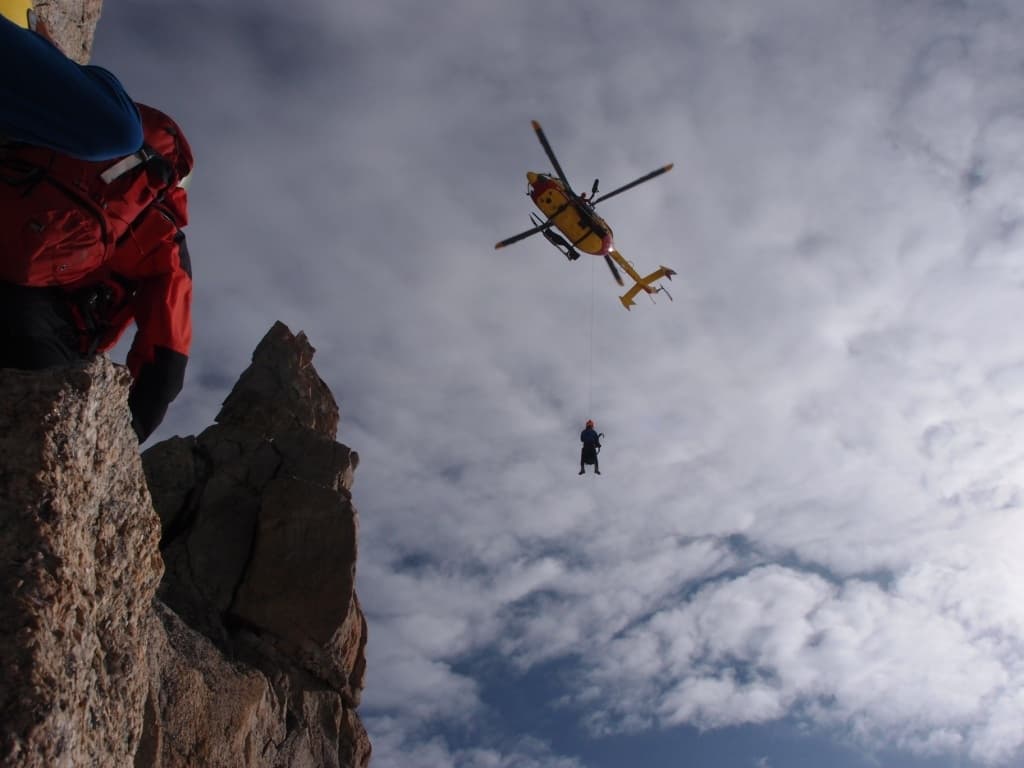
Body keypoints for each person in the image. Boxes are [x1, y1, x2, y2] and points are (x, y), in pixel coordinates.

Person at [0, 2, 194, 443]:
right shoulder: (160, 230)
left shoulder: (93, 137)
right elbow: (167, 351)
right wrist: (123, 439)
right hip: (35, 323)